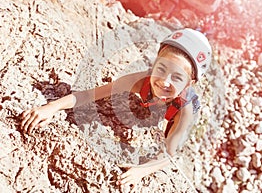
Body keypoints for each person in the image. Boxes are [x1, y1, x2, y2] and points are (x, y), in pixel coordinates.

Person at [20, 28, 212, 187]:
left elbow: (169, 153)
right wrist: (51, 107)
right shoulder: (140, 81)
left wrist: (141, 171)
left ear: (190, 83)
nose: (164, 81)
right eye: (162, 68)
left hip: (175, 112)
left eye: (177, 77)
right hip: (154, 99)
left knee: (168, 141)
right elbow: (89, 95)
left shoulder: (185, 109)